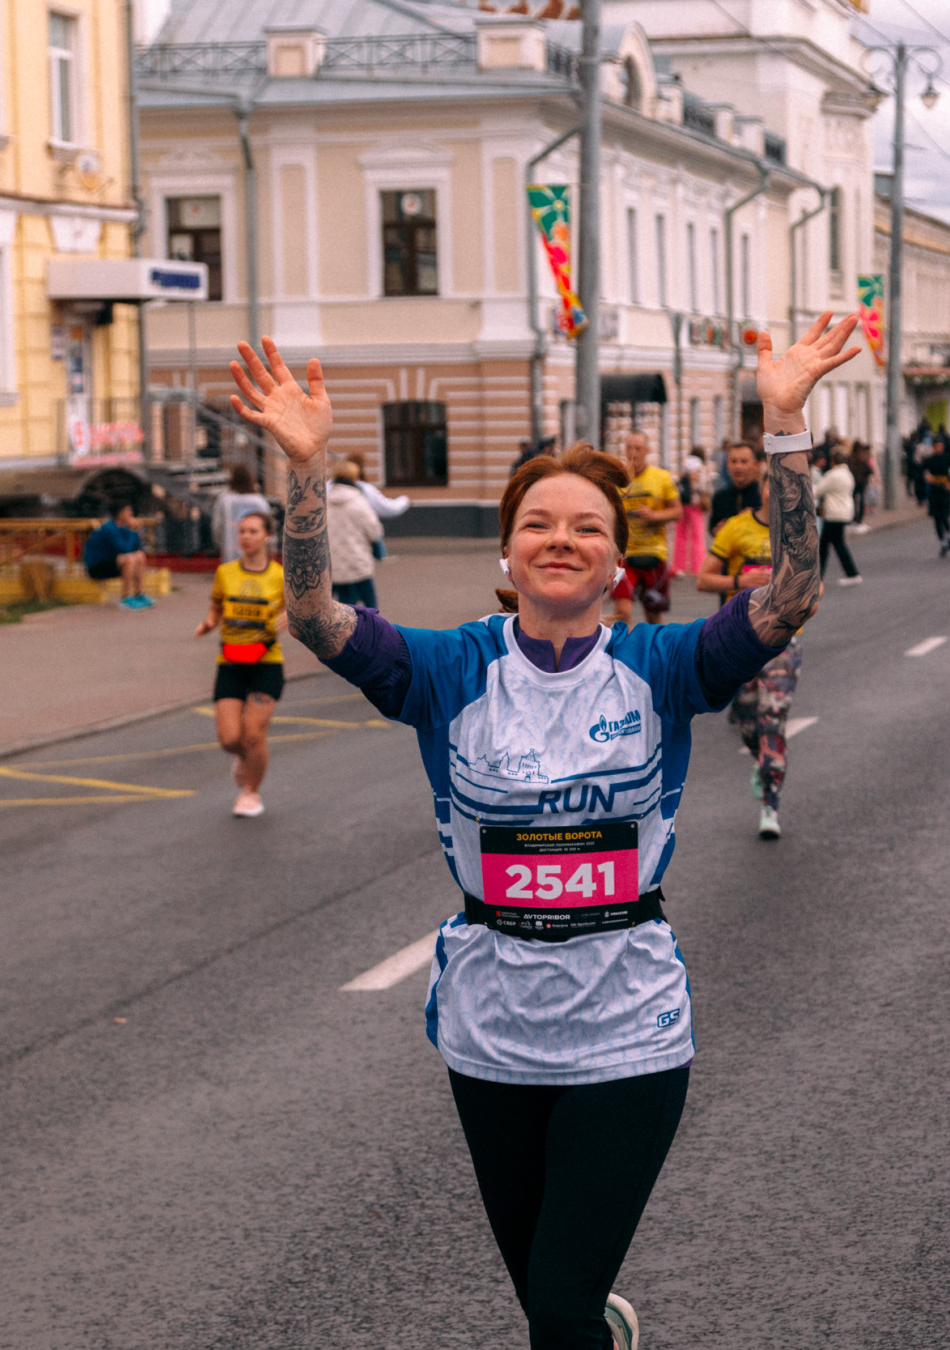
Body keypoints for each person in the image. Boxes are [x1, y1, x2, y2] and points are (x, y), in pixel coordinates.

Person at [224, 301, 848, 1350]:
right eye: (538, 525)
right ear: (508, 556)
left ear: (616, 564)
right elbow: (314, 618)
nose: (561, 539)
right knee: (548, 1306)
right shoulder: (446, 671)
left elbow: (790, 595)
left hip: (628, 1028)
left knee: (553, 1317)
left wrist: (780, 421)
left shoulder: (660, 667)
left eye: (587, 528)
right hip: (492, 1031)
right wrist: (304, 470)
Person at [698, 480, 800, 838]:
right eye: (772, 482)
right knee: (744, 718)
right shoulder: (736, 528)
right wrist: (743, 579)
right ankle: (761, 759)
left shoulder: (799, 529)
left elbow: (816, 584)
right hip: (737, 639)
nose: (778, 490)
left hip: (782, 642)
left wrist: (802, 596)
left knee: (772, 723)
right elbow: (703, 579)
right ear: (762, 488)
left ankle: (770, 807)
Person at [196, 511, 285, 816]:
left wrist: (285, 622)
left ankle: (251, 793)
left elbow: (297, 611)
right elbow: (216, 604)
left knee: (253, 735)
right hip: (231, 660)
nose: (246, 537)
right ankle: (246, 758)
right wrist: (209, 622)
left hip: (266, 662)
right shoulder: (225, 573)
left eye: (253, 531)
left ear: (267, 537)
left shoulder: (280, 577)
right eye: (242, 531)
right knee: (230, 739)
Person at [611, 431, 681, 626]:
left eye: (638, 448)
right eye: (629, 448)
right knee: (622, 610)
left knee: (652, 614)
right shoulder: (617, 481)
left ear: (647, 450)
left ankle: (655, 653)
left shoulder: (662, 478)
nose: (633, 453)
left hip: (654, 553)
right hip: (625, 555)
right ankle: (623, 651)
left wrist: (655, 515)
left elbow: (677, 512)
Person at [327, 460, 385, 609]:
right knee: (371, 607)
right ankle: (373, 631)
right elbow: (374, 531)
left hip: (334, 565)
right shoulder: (359, 501)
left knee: (340, 606)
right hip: (358, 563)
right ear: (354, 478)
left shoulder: (324, 502)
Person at [83, 501, 153, 608]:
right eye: (128, 511)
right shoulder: (108, 528)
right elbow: (123, 549)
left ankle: (140, 594)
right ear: (121, 514)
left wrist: (135, 530)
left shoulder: (122, 528)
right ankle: (126, 598)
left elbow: (135, 548)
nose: (131, 514)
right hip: (96, 567)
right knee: (129, 558)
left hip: (113, 563)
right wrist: (132, 530)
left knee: (139, 555)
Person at [816, 447, 862, 584]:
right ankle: (850, 573)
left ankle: (850, 573)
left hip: (834, 513)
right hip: (845, 511)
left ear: (832, 461)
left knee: (827, 546)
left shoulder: (833, 475)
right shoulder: (847, 474)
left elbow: (819, 490)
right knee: (835, 544)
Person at [213, 463, 272, 562]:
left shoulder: (225, 501)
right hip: (257, 554)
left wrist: (221, 544)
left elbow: (217, 528)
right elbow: (268, 527)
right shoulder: (260, 502)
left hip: (230, 552)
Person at [708, 441, 763, 535]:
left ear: (755, 465)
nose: (738, 466)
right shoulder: (720, 497)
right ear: (727, 464)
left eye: (744, 461)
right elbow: (713, 529)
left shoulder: (763, 497)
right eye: (734, 461)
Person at [921, 436, 950, 556]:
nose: (938, 448)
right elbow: (921, 472)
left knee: (945, 516)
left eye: (940, 445)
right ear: (933, 447)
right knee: (936, 518)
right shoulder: (929, 460)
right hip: (934, 491)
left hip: (945, 490)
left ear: (943, 446)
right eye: (935, 446)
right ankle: (942, 542)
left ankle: (948, 536)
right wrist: (926, 477)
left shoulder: (948, 458)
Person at [672, 448, 709, 575]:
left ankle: (678, 567)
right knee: (697, 537)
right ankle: (697, 567)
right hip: (695, 506)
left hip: (682, 504)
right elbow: (704, 486)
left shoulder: (685, 467)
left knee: (680, 536)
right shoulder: (701, 468)